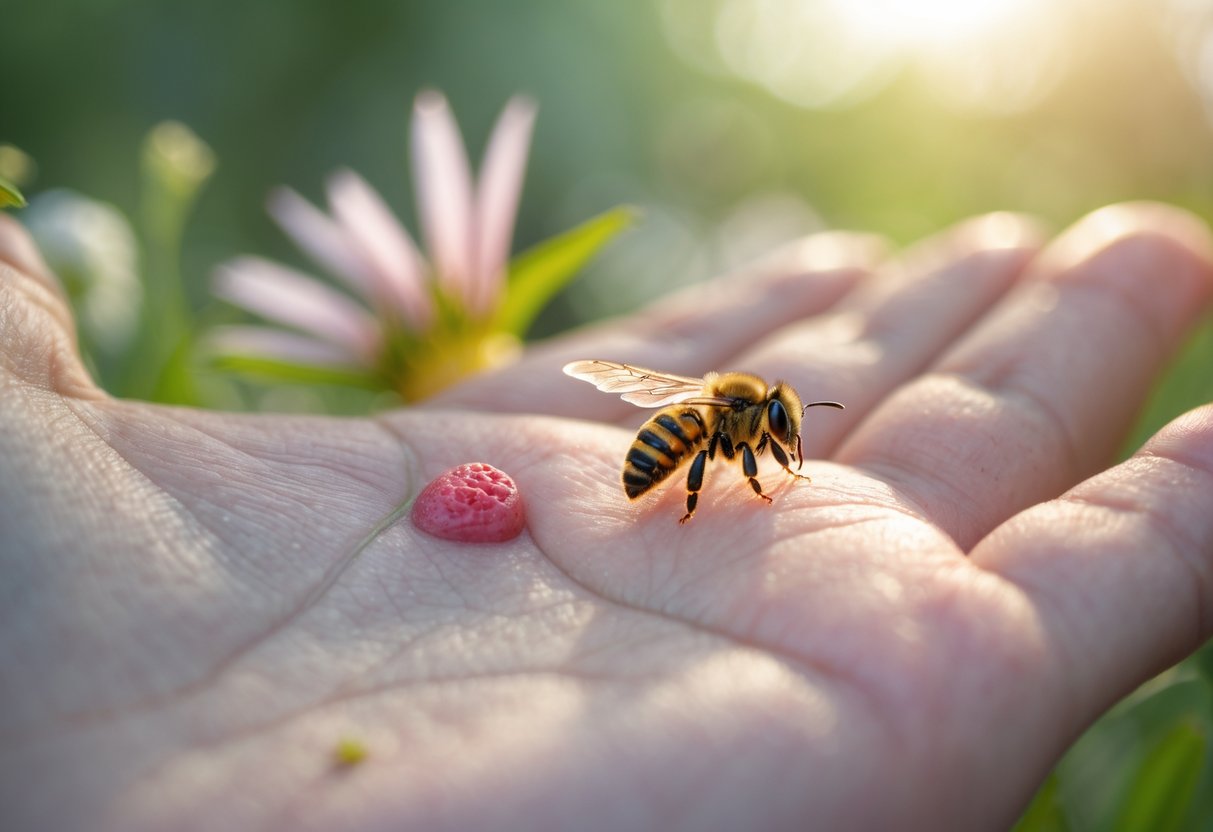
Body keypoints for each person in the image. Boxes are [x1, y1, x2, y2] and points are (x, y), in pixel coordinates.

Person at [1, 203, 1211, 831]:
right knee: (702, 451)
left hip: (641, 466)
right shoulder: (733, 429)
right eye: (775, 438)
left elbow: (715, 432)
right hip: (648, 473)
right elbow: (721, 443)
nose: (775, 449)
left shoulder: (734, 419)